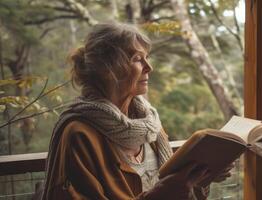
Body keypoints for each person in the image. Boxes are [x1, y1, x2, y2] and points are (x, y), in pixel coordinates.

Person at [40, 23, 233, 200]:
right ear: (109, 69)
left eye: (146, 58)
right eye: (137, 59)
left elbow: (175, 192)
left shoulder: (150, 125)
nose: (149, 67)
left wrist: (199, 178)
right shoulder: (79, 134)